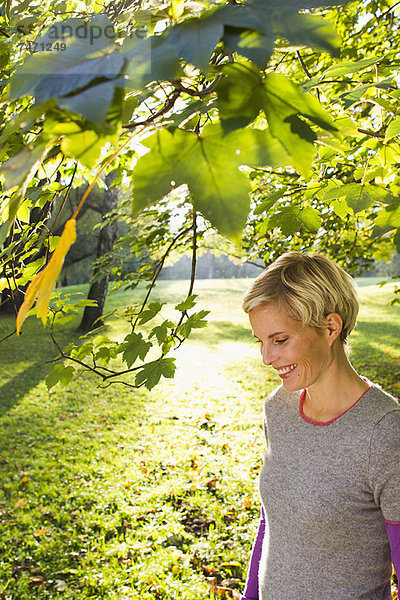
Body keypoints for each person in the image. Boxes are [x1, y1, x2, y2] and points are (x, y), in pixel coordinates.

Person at [240, 251, 400, 600]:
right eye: (261, 341)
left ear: (331, 326)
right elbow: (274, 523)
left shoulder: (385, 433)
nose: (267, 358)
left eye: (280, 340)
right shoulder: (277, 409)